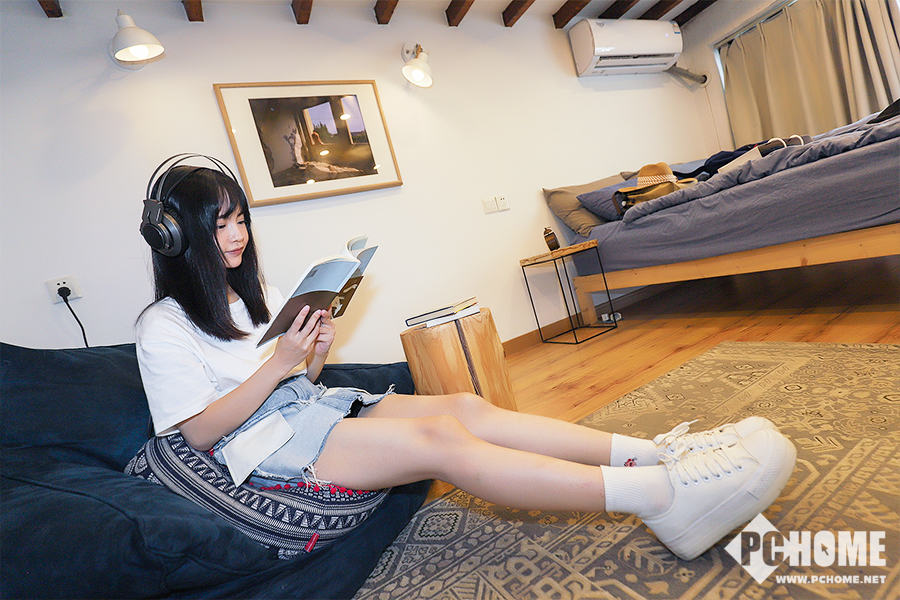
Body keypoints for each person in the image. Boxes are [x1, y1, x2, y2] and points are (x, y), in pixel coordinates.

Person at [134, 155, 797, 561]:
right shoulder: (162, 326)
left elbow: (299, 382)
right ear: (177, 236)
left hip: (308, 408)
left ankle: (655, 455)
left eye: (241, 220)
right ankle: (658, 497)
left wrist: (311, 354)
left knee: (464, 407)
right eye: (220, 224)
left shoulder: (258, 293)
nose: (237, 235)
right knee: (442, 441)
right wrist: (279, 365)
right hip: (258, 447)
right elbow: (198, 433)